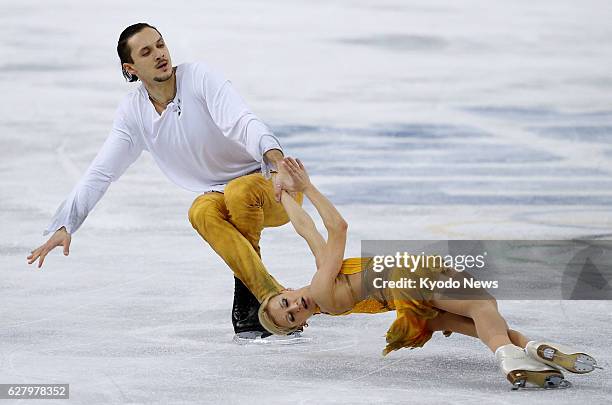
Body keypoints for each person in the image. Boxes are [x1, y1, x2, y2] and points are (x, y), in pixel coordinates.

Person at [26, 22, 302, 340]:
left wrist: (276, 159)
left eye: (160, 45)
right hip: (222, 195)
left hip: (274, 185)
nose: (159, 54)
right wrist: (66, 224)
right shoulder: (134, 113)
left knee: (239, 190)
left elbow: (242, 122)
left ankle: (249, 300)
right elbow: (102, 171)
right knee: (200, 211)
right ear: (131, 68)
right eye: (147, 51)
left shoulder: (198, 78)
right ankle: (270, 295)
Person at [258, 157, 600, 389]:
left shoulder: (325, 287)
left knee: (473, 320)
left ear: (286, 290)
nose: (293, 308)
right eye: (290, 318)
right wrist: (308, 187)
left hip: (408, 302)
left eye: (284, 303)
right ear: (301, 324)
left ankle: (531, 350)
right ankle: (512, 358)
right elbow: (338, 227)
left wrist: (283, 193)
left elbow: (308, 231)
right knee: (482, 305)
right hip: (407, 277)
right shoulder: (319, 289)